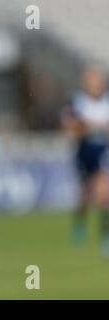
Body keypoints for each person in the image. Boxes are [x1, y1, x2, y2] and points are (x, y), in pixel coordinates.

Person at [62, 65, 109, 257]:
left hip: (102, 153)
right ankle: (79, 224)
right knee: (84, 197)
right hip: (84, 153)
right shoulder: (77, 101)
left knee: (104, 195)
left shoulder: (106, 101)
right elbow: (68, 125)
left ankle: (105, 237)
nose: (95, 84)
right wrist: (85, 126)